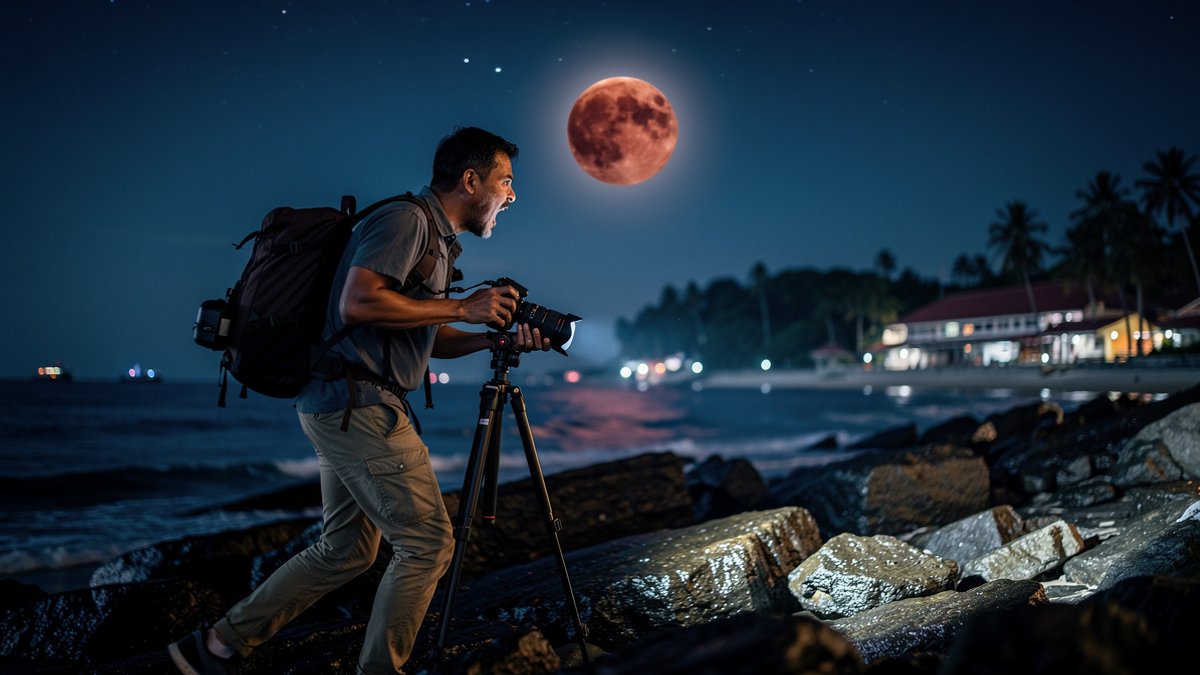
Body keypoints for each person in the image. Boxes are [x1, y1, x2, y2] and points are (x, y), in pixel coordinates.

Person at [168, 126, 549, 674]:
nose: (512, 195)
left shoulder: (437, 240)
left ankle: (214, 647)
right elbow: (359, 303)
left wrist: (493, 337)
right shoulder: (406, 220)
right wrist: (464, 307)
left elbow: (427, 336)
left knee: (347, 549)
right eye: (505, 181)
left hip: (347, 404)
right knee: (428, 544)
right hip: (358, 406)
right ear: (471, 180)